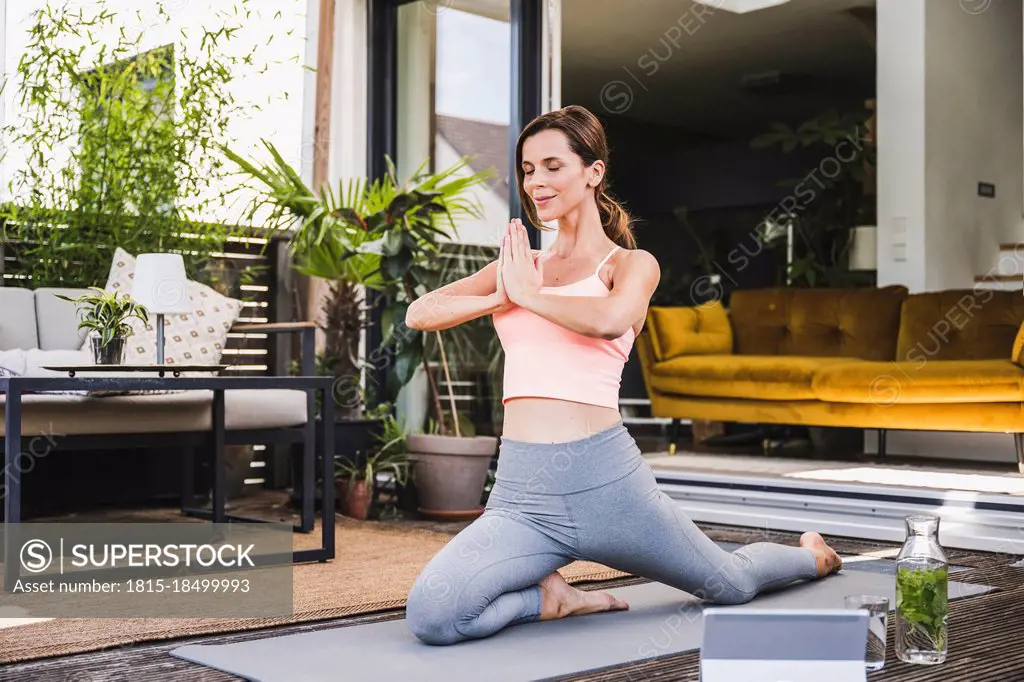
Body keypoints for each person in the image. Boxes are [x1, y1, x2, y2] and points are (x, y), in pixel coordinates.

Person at [402, 105, 842, 646]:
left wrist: (530, 296)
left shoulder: (631, 265)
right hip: (522, 494)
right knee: (434, 617)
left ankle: (809, 555)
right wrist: (503, 292)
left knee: (729, 584)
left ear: (593, 172)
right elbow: (420, 312)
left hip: (607, 484)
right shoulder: (521, 269)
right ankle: (552, 597)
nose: (536, 181)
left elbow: (610, 320)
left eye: (552, 166)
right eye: (527, 169)